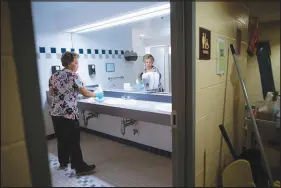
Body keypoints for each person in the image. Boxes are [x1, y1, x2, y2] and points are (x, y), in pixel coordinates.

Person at [48, 51, 103, 175]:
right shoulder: (74, 76)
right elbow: (84, 92)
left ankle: (63, 162)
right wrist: (97, 94)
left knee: (61, 138)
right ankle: (79, 167)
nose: (77, 65)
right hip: (68, 113)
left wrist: (64, 94)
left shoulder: (54, 76)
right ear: (69, 63)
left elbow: (51, 93)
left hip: (55, 112)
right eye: (76, 62)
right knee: (73, 140)